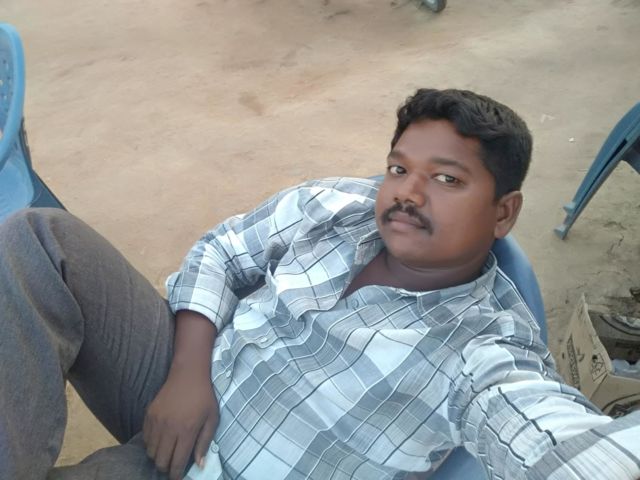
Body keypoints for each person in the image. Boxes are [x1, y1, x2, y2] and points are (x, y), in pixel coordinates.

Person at [1, 88, 639, 480]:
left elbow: (553, 443)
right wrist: (188, 374)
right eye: (399, 168)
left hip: (219, 468)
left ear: (503, 212)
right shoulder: (339, 206)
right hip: (180, 381)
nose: (409, 193)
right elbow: (222, 250)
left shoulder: (484, 348)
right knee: (40, 238)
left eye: (447, 179)